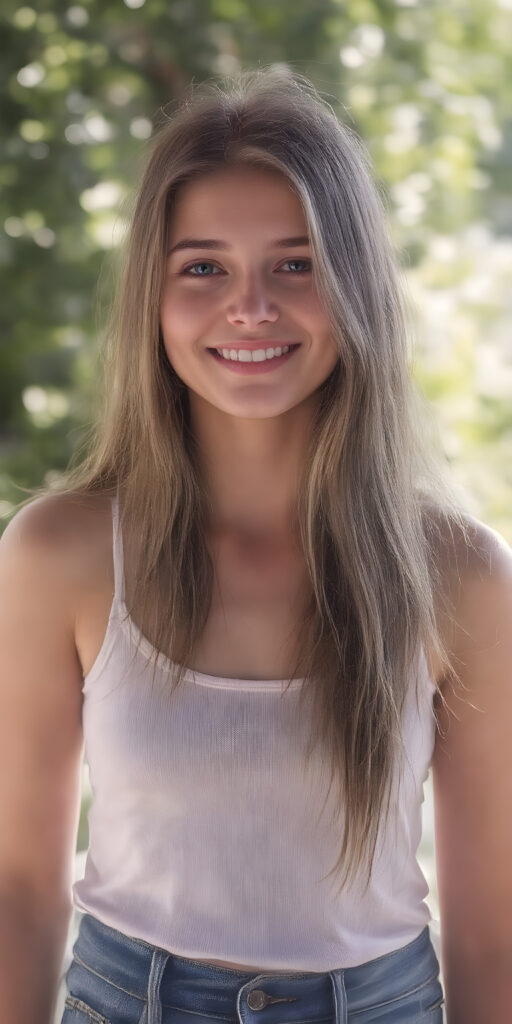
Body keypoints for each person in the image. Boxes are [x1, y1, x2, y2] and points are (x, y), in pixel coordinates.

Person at [0, 66, 511, 1024]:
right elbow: (19, 891)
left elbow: (492, 934)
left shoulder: (462, 575)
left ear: (354, 284)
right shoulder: (57, 554)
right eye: (203, 267)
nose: (250, 307)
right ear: (153, 295)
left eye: (296, 263)